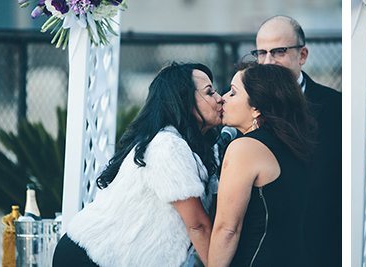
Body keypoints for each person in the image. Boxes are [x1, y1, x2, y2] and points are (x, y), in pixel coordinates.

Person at [53, 63, 224, 266]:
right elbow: (198, 226)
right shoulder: (167, 145)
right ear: (184, 100)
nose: (220, 97)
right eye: (210, 92)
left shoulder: (200, 147)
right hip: (89, 257)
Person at [254, 15, 342, 265]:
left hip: (324, 249)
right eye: (261, 53)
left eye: (278, 52)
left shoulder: (337, 107)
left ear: (302, 55)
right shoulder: (245, 106)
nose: (268, 62)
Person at [207, 62, 315, 266]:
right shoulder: (293, 145)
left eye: (233, 92)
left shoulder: (245, 148)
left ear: (256, 108)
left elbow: (227, 229)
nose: (222, 98)